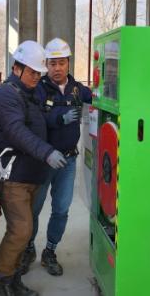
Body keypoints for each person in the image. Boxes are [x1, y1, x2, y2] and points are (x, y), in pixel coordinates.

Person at [0, 40, 68, 296]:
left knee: (23, 230)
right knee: (21, 230)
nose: (36, 77)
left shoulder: (28, 93)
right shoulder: (6, 95)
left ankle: (12, 280)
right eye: (32, 72)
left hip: (30, 175)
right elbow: (16, 131)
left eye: (38, 73)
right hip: (14, 177)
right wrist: (47, 152)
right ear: (17, 68)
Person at [20, 38, 92, 276]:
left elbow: (100, 98)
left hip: (68, 161)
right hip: (43, 161)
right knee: (33, 209)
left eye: (61, 63)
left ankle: (50, 251)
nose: (57, 68)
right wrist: (59, 119)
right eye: (52, 64)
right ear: (46, 65)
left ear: (68, 63)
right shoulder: (38, 89)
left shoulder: (77, 89)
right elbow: (33, 118)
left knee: (61, 209)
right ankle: (28, 248)